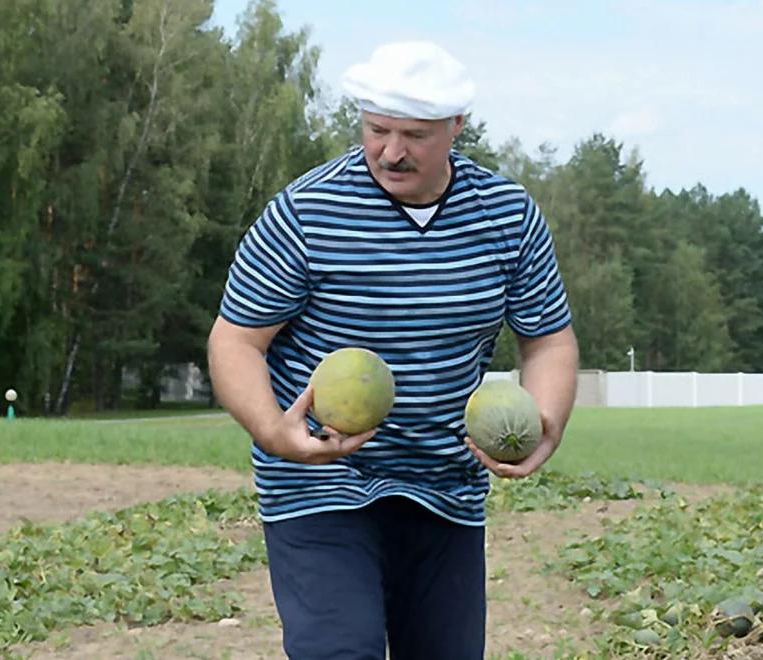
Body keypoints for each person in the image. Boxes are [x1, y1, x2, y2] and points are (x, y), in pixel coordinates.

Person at [206, 40, 579, 660]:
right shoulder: (307, 211)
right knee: (339, 650)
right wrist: (275, 433)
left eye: (416, 135)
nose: (391, 151)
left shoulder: (507, 216)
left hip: (445, 487)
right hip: (320, 481)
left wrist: (547, 421)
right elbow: (237, 340)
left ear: (457, 126)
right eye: (377, 129)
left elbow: (549, 340)